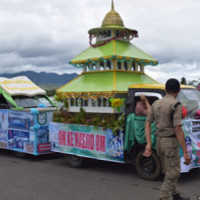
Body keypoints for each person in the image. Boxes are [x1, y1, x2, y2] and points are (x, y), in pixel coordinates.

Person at [143, 78, 191, 200]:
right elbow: (178, 129)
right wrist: (185, 152)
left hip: (159, 142)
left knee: (169, 170)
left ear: (165, 89)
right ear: (178, 91)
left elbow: (147, 123)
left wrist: (149, 143)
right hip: (170, 142)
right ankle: (164, 197)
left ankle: (176, 196)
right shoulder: (175, 105)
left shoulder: (156, 104)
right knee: (173, 172)